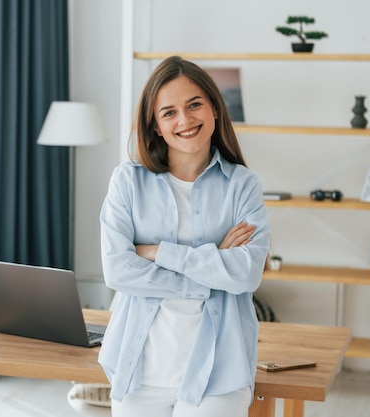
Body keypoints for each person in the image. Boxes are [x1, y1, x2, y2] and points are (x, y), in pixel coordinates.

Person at [98, 56, 270, 417]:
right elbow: (118, 271)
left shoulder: (243, 186)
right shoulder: (127, 182)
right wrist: (213, 262)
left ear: (215, 110)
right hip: (137, 368)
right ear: (156, 127)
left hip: (219, 373)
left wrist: (158, 251)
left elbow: (247, 273)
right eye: (169, 112)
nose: (185, 120)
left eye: (194, 105)